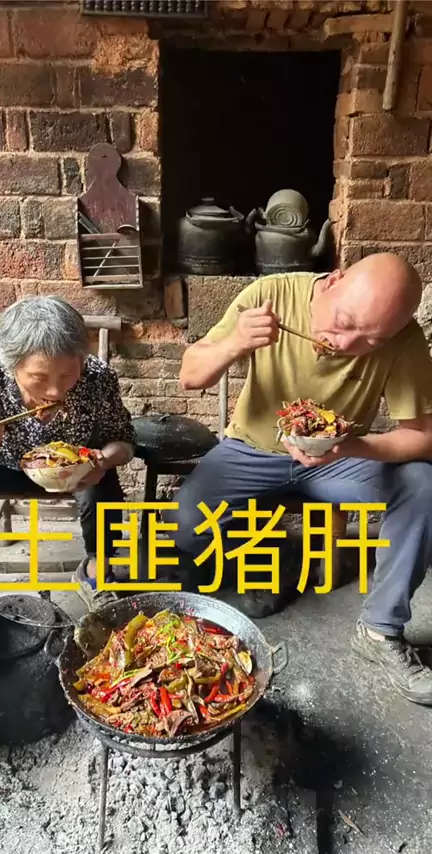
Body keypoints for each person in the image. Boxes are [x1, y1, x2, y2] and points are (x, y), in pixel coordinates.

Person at [165, 252, 432, 706]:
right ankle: (268, 564)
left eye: (371, 340)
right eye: (344, 323)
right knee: (184, 525)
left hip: (339, 456)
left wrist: (351, 447)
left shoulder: (403, 338)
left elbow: (422, 436)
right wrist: (236, 343)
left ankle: (380, 630)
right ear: (334, 281)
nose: (346, 343)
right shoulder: (272, 295)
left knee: (422, 486)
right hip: (251, 448)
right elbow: (191, 375)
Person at [0, 295, 135, 610]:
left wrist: (102, 460)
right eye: (39, 377)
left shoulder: (96, 377)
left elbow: (124, 441)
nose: (55, 391)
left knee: (105, 487)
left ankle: (95, 573)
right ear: (11, 365)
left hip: (72, 469)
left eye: (67, 375)